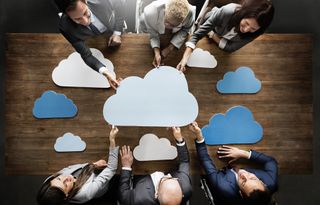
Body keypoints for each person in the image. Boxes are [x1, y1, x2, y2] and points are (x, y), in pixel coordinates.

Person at [188, 121, 278, 205]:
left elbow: (205, 160)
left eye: (243, 182)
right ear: (263, 183)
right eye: (252, 178)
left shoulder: (223, 186)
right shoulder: (270, 181)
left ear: (241, 194)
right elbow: (270, 161)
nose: (244, 174)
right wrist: (244, 154)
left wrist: (198, 135)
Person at [177, 0, 274, 71]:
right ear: (243, 13)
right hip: (209, 19)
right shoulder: (228, 11)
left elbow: (230, 48)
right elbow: (197, 34)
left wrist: (212, 35)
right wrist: (185, 58)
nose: (246, 30)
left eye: (253, 29)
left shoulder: (257, 31)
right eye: (247, 23)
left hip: (214, 34)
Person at [36, 126, 120, 205]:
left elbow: (69, 168)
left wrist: (93, 165)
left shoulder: (49, 183)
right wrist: (112, 140)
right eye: (65, 185)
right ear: (66, 195)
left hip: (93, 170)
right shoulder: (85, 193)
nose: (66, 177)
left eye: (59, 178)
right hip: (106, 184)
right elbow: (111, 169)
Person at [54, 0, 125, 89]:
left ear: (85, 1)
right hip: (95, 42)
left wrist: (117, 33)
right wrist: (105, 72)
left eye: (85, 13)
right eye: (77, 19)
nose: (85, 21)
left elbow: (120, 5)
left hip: (114, 28)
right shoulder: (65, 26)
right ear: (67, 16)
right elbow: (86, 55)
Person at [118, 127, 192, 205]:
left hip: (141, 176)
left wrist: (126, 166)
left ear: (156, 194)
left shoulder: (139, 198)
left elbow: (123, 195)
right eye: (172, 178)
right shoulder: (186, 187)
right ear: (182, 194)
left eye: (164, 179)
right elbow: (184, 162)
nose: (167, 175)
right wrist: (179, 139)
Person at [139, 0, 196, 67]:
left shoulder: (190, 13)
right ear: (165, 10)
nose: (168, 26)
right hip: (151, 22)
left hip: (176, 34)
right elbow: (153, 33)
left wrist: (169, 48)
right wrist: (157, 52)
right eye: (166, 21)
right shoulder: (150, 12)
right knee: (142, 19)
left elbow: (185, 30)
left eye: (173, 25)